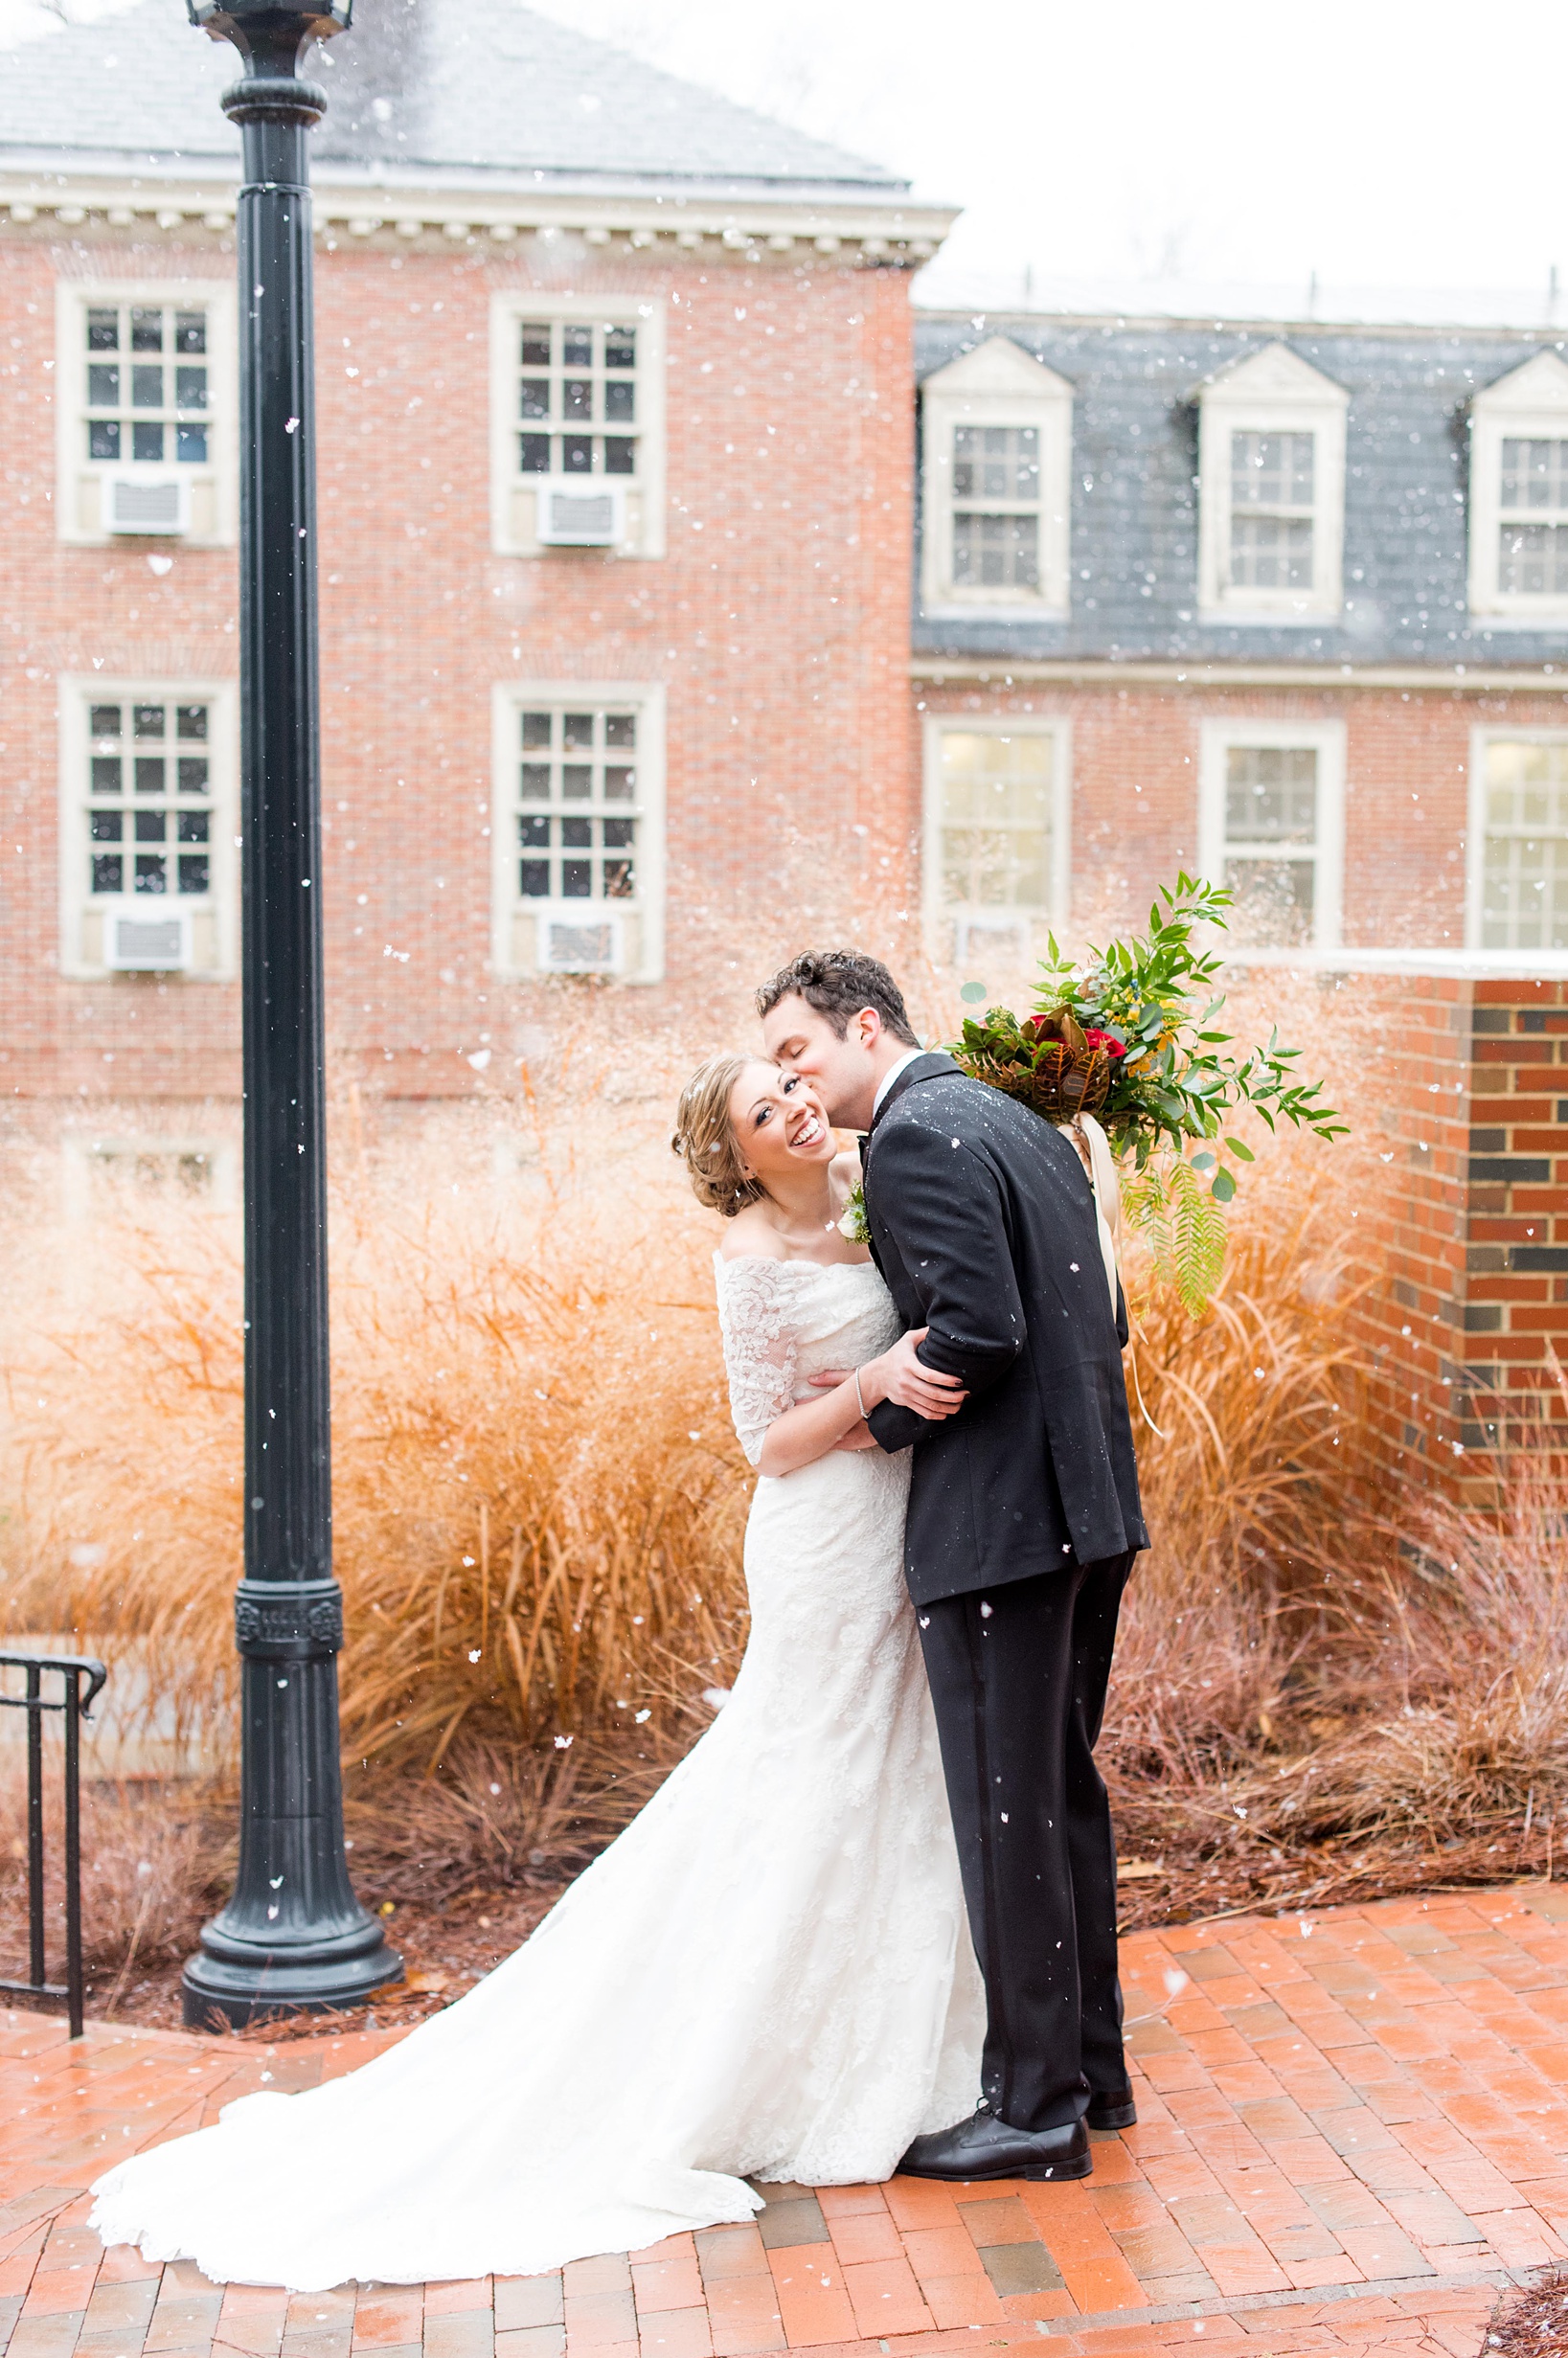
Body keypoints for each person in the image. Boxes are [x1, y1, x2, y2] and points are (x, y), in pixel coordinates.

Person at [88, 1054, 986, 2289]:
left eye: (788, 1090)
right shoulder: (754, 1258)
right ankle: (741, 2059)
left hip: (904, 1526)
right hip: (825, 1535)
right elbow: (764, 1444)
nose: (790, 1111)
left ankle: (903, 2044)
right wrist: (877, 1383)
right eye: (760, 1115)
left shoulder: (877, 1188)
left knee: (894, 1771)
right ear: (736, 1157)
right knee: (808, 1773)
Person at [760, 949, 1148, 2185]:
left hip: (1001, 1528)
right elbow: (1106, 1312)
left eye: (798, 1051)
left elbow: (980, 1327)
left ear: (865, 1025)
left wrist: (872, 1421)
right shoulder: (1014, 1117)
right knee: (1059, 1790)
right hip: (1087, 1510)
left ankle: (1033, 2111)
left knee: (1006, 1810)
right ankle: (1093, 2073)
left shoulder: (917, 1138)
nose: (793, 1077)